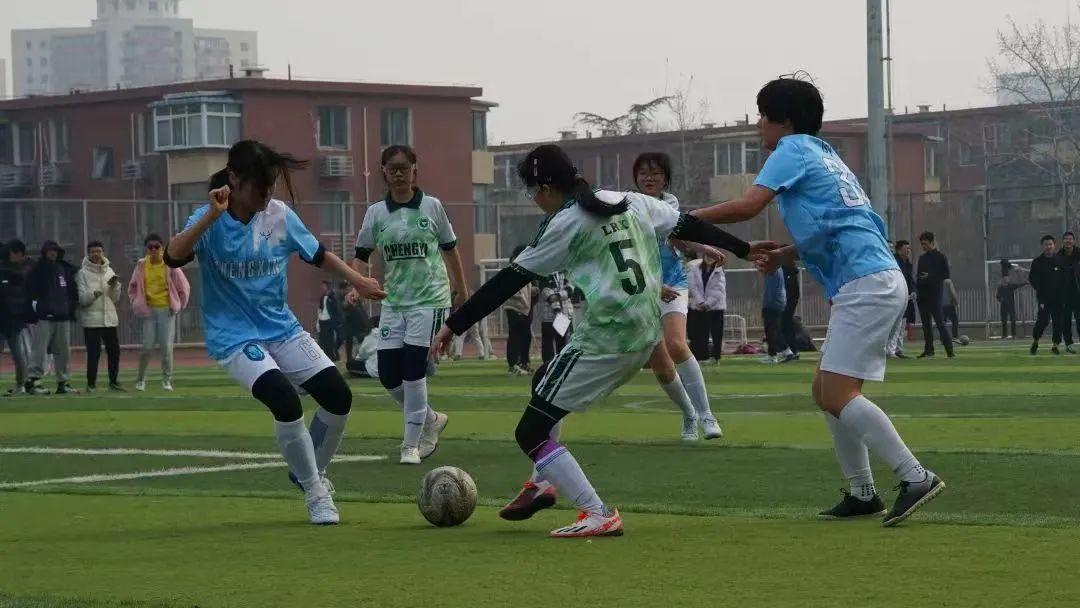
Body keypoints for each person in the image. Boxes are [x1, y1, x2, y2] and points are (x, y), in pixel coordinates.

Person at [431, 143, 766, 537]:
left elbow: (507, 282)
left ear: (545, 188)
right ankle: (542, 484)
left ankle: (597, 512)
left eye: (532, 192)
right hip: (645, 331)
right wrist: (743, 248)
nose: (534, 200)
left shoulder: (565, 223)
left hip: (607, 339)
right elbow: (687, 224)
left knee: (529, 433)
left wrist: (453, 325)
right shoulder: (628, 200)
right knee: (544, 381)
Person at [691, 77, 944, 526]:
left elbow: (749, 206)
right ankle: (863, 492)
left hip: (866, 283)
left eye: (762, 115)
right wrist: (785, 255)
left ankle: (915, 476)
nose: (758, 124)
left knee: (837, 393)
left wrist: (685, 220)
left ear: (783, 120)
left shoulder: (790, 150)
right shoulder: (825, 155)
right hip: (874, 277)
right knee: (824, 391)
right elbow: (840, 225)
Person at [164, 139, 385, 525]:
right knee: (284, 399)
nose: (267, 194)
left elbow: (318, 254)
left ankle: (308, 470)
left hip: (282, 328)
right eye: (260, 186)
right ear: (234, 179)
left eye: (271, 186)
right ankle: (316, 491)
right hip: (235, 337)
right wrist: (210, 216)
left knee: (338, 396)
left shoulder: (280, 215)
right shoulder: (209, 219)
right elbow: (172, 255)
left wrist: (359, 280)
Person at [351, 144, 467, 465]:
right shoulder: (376, 213)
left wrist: (462, 290)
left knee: (414, 370)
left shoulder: (432, 207)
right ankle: (430, 419)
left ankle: (411, 445)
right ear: (384, 172)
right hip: (394, 302)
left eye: (404, 168)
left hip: (430, 300)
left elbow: (450, 249)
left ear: (415, 170)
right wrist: (356, 285)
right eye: (392, 169)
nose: (399, 174)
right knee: (388, 374)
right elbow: (361, 255)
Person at [632, 152, 723, 441]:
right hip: (643, 286)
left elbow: (679, 236)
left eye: (656, 173)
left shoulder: (670, 205)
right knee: (658, 360)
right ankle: (688, 414)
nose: (649, 178)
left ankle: (707, 415)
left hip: (674, 280)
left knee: (676, 344)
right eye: (643, 173)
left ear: (665, 179)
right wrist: (653, 286)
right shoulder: (628, 209)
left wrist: (705, 248)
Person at [129, 233, 190, 391]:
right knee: (146, 347)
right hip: (149, 311)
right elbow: (133, 287)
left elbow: (184, 287)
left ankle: (166, 380)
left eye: (157, 247)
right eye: (150, 247)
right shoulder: (141, 265)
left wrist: (178, 306)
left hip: (166, 310)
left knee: (166, 347)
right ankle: (140, 380)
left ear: (162, 248)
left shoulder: (170, 264)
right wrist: (136, 303)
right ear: (146, 249)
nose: (154, 250)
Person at [25, 241, 79, 395]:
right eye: (50, 250)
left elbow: (71, 292)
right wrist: (37, 311)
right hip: (44, 317)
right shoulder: (37, 270)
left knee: (63, 352)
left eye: (55, 250)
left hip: (62, 316)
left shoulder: (64, 269)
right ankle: (33, 381)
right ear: (44, 252)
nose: (53, 253)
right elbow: (30, 293)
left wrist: (70, 310)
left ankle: (63, 383)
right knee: (39, 350)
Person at [76, 240, 124, 392]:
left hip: (109, 320)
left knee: (114, 352)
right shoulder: (82, 274)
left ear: (103, 253)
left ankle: (113, 381)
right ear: (88, 254)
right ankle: (91, 384)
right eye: (93, 252)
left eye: (99, 251)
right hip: (91, 321)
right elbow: (82, 300)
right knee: (93, 354)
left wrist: (116, 286)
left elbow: (115, 298)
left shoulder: (109, 271)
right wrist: (93, 295)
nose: (96, 254)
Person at [915, 232, 954, 359]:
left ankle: (950, 351)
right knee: (926, 326)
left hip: (935, 295)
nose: (923, 246)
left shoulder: (940, 257)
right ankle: (929, 350)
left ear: (932, 242)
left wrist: (930, 276)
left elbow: (946, 274)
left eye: (925, 244)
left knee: (940, 323)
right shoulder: (922, 258)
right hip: (923, 296)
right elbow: (919, 276)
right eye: (922, 244)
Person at [0, 241, 31, 396]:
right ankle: (21, 384)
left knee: (18, 353)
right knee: (18, 352)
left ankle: (21, 384)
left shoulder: (11, 272)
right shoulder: (20, 270)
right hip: (13, 317)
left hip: (10, 317)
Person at [1029, 235, 1068, 355]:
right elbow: (1032, 279)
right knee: (1043, 321)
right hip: (1044, 298)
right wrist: (1040, 290)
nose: (1048, 246)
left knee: (1058, 322)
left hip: (1058, 298)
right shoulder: (1037, 262)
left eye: (1050, 244)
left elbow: (1065, 278)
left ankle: (1055, 345)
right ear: (1043, 246)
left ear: (1054, 245)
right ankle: (1035, 341)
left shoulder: (1060, 261)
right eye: (1046, 244)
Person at [687, 254, 726, 363]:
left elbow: (719, 290)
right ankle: (702, 356)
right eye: (707, 256)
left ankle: (715, 356)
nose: (709, 258)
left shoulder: (719, 271)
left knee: (716, 333)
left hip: (716, 308)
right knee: (701, 333)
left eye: (712, 256)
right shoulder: (695, 269)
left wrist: (708, 303)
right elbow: (693, 287)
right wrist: (700, 302)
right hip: (700, 306)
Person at [503, 244, 534, 375]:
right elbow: (509, 290)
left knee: (526, 336)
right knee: (515, 336)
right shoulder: (512, 269)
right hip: (514, 307)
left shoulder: (525, 269)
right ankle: (513, 364)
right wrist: (522, 298)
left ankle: (524, 362)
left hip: (524, 308)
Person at [887, 240, 916, 358]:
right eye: (906, 248)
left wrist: (913, 291)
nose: (908, 251)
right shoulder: (893, 262)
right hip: (896, 296)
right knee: (895, 326)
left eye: (909, 249)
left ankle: (898, 349)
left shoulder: (907, 263)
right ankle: (891, 350)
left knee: (901, 325)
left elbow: (910, 279)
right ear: (899, 250)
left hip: (905, 296)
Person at [537, 272, 573, 364]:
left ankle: (560, 365)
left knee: (562, 343)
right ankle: (547, 365)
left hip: (563, 315)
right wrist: (560, 297)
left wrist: (558, 295)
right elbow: (547, 294)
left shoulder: (564, 273)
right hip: (548, 316)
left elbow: (570, 290)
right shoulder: (544, 274)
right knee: (547, 344)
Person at [761, 266, 795, 363]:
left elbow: (764, 269)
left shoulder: (774, 266)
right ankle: (785, 352)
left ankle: (773, 355)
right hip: (774, 301)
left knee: (772, 330)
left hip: (773, 302)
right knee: (773, 329)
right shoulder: (775, 267)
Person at [338, 281, 371, 363]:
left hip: (357, 321)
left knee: (361, 339)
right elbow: (344, 307)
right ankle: (350, 359)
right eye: (346, 288)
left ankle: (362, 357)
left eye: (348, 287)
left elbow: (359, 307)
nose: (347, 289)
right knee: (349, 340)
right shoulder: (342, 297)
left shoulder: (353, 295)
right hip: (350, 322)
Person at [1057, 231, 1079, 352]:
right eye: (1066, 239)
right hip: (1064, 295)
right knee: (1066, 321)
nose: (1068, 241)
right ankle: (1068, 344)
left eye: (1070, 239)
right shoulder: (1058, 257)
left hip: (1078, 293)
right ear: (1063, 241)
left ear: (1073, 241)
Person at [996, 259, 1025, 339]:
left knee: (1013, 319)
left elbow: (1020, 284)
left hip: (1011, 305)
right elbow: (997, 297)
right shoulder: (1001, 287)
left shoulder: (1011, 286)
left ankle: (1013, 334)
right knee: (1004, 320)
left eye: (1007, 278)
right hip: (1003, 306)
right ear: (1003, 279)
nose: (1006, 280)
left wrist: (1025, 281)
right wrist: (1001, 299)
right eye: (1005, 278)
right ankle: (1004, 335)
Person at [315, 280, 342, 361]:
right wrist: (318, 320)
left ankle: (332, 357)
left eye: (324, 286)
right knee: (322, 340)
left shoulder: (333, 297)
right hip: (322, 320)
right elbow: (320, 308)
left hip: (329, 321)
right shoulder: (323, 297)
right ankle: (323, 357)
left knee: (330, 340)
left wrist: (337, 321)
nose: (322, 287)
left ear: (328, 286)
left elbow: (337, 309)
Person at [780, 262, 801, 360]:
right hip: (789, 302)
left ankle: (790, 351)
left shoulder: (788, 273)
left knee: (784, 325)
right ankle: (792, 350)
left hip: (788, 302)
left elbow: (791, 291)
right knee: (787, 325)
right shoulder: (789, 273)